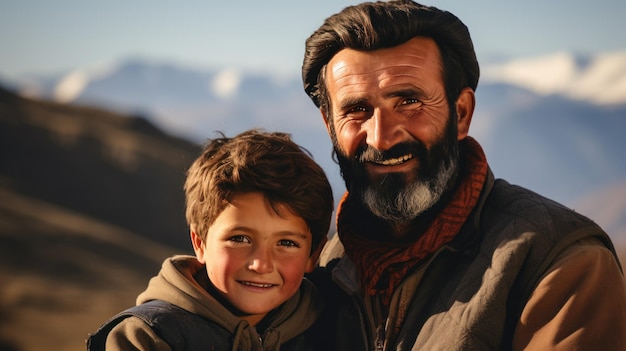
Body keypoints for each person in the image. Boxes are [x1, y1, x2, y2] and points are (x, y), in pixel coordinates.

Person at [301, 1, 626, 350]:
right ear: (329, 124)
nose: (381, 136)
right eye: (357, 110)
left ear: (461, 113)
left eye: (409, 102)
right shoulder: (315, 264)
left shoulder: (555, 262)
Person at [87, 129, 334, 350]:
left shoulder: (330, 328)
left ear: (313, 254)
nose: (261, 264)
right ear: (200, 243)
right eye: (240, 239)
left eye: (287, 243)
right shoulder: (145, 337)